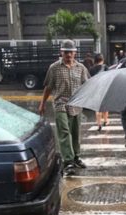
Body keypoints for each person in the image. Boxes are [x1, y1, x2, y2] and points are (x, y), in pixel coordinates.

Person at [38, 39, 89, 176]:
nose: (68, 55)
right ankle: (68, 162)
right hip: (61, 103)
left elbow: (87, 86)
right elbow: (48, 87)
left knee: (75, 132)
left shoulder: (81, 68)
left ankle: (76, 157)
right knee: (64, 131)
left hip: (76, 104)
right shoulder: (54, 68)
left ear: (75, 53)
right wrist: (42, 103)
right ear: (61, 52)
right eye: (66, 52)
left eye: (71, 52)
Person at [89, 53, 109, 132]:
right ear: (102, 59)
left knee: (97, 108)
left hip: (95, 89)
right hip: (104, 88)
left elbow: (89, 80)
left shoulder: (91, 69)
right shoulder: (106, 67)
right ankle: (105, 121)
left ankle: (99, 124)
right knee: (105, 106)